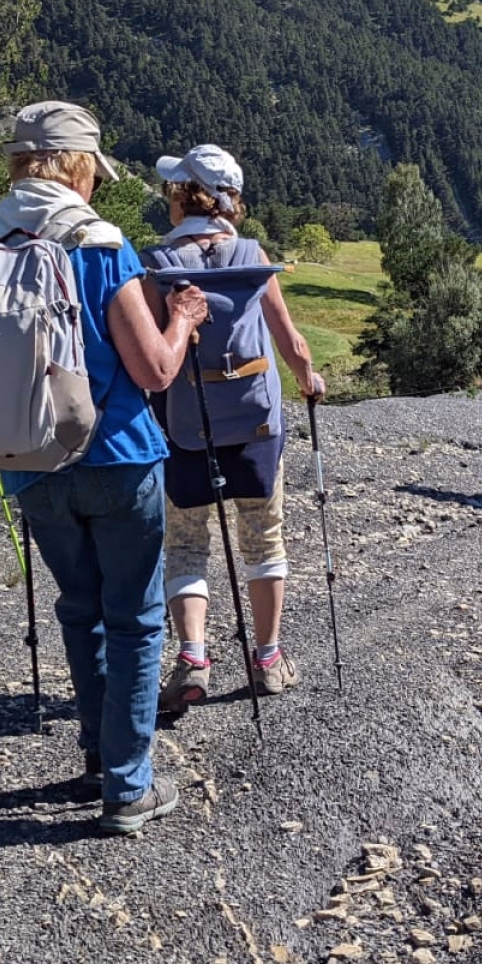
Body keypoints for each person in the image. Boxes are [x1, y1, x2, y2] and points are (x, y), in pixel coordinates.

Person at [0, 101, 209, 836]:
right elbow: (152, 370)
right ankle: (128, 784)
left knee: (79, 609)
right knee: (137, 618)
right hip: (117, 453)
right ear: (79, 166)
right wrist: (182, 318)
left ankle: (96, 750)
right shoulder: (98, 240)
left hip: (30, 459)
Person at [139, 145, 325, 713]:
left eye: (174, 189)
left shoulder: (158, 263)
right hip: (256, 423)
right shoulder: (250, 253)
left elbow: (146, 353)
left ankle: (193, 657)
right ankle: (267, 658)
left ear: (185, 195)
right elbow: (288, 338)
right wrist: (308, 377)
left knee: (187, 544)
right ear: (228, 200)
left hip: (182, 427)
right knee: (264, 538)